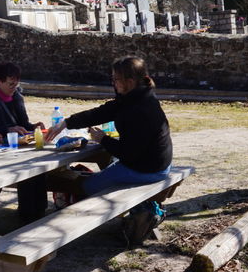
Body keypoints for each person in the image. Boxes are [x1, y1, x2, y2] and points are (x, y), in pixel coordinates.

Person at [45, 55, 173, 242]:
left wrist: (103, 139)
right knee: (101, 172)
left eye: (115, 79)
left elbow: (128, 153)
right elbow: (104, 111)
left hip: (148, 169)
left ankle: (142, 210)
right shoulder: (135, 95)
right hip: (152, 163)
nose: (112, 82)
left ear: (129, 81)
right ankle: (139, 207)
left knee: (87, 186)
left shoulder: (140, 109)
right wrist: (66, 122)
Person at [0, 62, 48, 223]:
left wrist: (34, 127)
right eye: (10, 83)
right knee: (26, 169)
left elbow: (24, 124)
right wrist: (7, 129)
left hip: (17, 148)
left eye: (17, 83)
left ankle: (37, 211)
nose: (14, 87)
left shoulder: (17, 97)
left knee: (37, 165)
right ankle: (28, 216)